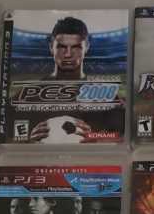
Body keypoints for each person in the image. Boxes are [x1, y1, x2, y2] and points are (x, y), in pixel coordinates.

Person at [25, 15, 100, 143]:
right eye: (61, 47)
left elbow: (120, 136)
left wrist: (96, 140)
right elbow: (6, 136)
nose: (68, 54)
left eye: (76, 47)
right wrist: (28, 142)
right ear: (51, 47)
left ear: (87, 47)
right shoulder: (28, 95)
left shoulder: (105, 96)